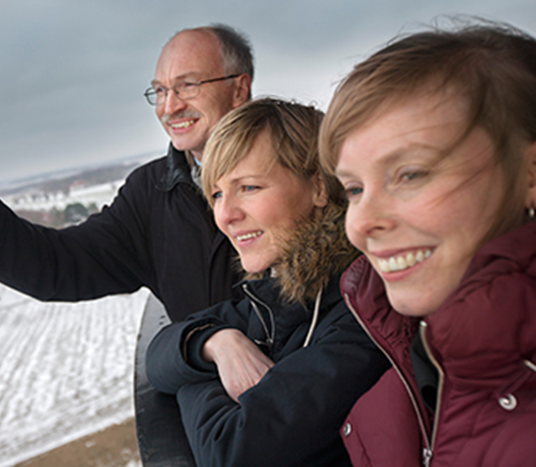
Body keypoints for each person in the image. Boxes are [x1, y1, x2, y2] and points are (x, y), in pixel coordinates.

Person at [0, 24, 253, 322]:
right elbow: (62, 266)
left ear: (239, 89)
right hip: (226, 415)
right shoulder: (150, 195)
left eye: (187, 86)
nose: (170, 107)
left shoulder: (307, 162)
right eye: (160, 91)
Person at [318, 20, 536, 467]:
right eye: (354, 189)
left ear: (530, 173)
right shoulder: (408, 353)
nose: (362, 223)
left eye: (410, 174)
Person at [145, 98, 389, 467]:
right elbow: (158, 357)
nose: (226, 215)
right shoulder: (274, 295)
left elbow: (230, 452)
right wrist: (217, 344)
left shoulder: (363, 310)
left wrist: (193, 380)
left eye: (249, 187)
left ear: (319, 187)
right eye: (217, 194)